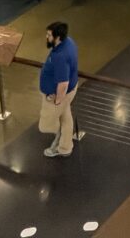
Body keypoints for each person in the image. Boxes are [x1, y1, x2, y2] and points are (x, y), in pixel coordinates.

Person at [39, 21, 79, 158]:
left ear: (57, 38)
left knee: (45, 125)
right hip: (69, 91)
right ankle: (65, 147)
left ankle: (60, 138)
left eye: (49, 35)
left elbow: (63, 83)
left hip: (58, 95)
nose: (46, 37)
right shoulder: (69, 42)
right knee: (65, 117)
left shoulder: (60, 56)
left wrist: (57, 101)